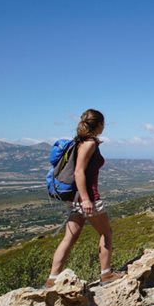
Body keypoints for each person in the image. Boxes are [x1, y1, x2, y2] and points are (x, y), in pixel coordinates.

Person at [45, 109, 124, 288]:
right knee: (106, 232)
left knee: (70, 237)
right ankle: (106, 274)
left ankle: (52, 278)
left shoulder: (79, 142)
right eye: (104, 123)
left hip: (74, 198)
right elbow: (79, 171)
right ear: (99, 124)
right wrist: (87, 199)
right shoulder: (89, 143)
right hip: (86, 197)